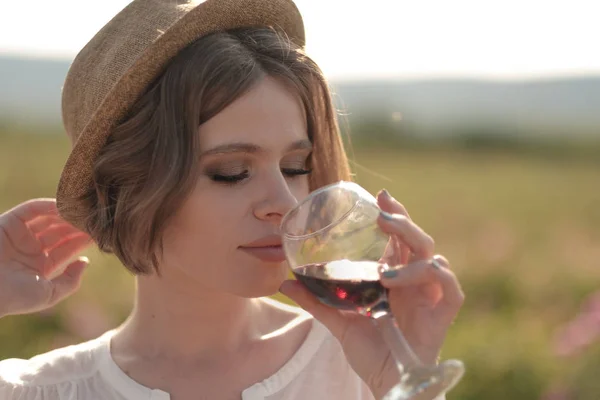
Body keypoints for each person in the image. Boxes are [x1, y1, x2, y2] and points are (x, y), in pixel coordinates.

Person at [0, 0, 465, 399]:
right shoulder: (38, 391)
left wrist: (401, 384)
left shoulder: (359, 367)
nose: (282, 202)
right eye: (232, 173)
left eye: (295, 167)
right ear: (128, 187)